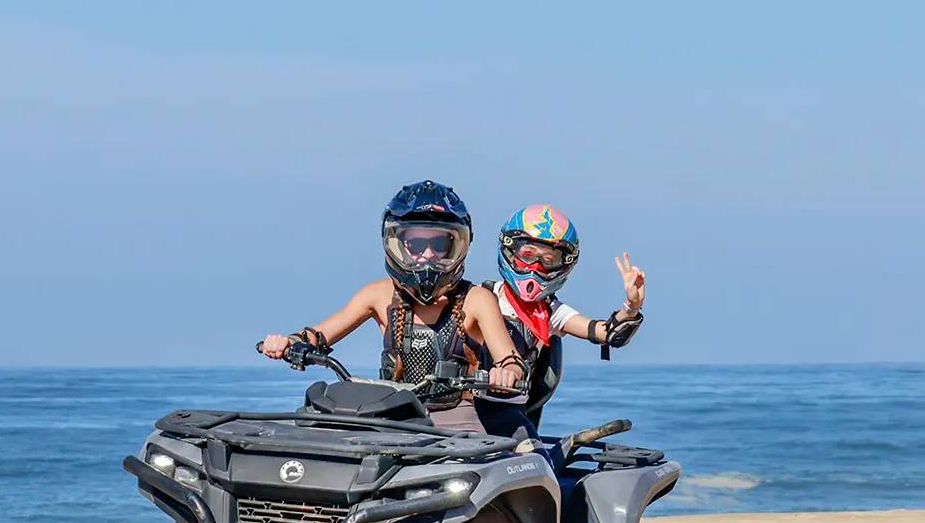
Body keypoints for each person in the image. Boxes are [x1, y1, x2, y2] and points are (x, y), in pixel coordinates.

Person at [260, 181, 524, 431]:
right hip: (393, 415)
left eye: (439, 244)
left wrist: (506, 374)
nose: (427, 255)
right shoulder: (379, 295)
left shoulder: (478, 299)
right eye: (416, 245)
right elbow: (318, 336)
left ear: (457, 245)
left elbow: (511, 361)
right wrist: (288, 342)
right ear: (398, 245)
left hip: (457, 420)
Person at [474, 203, 645, 438]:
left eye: (548, 260)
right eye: (528, 255)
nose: (536, 267)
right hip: (466, 408)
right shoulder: (479, 297)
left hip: (512, 414)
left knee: (532, 452)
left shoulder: (551, 312)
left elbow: (609, 333)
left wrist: (632, 305)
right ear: (510, 250)